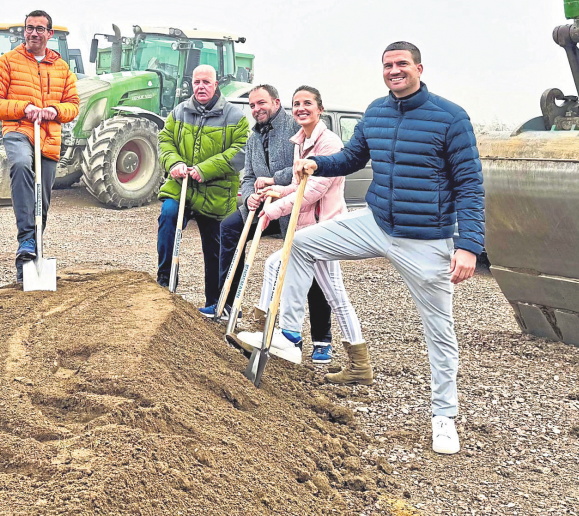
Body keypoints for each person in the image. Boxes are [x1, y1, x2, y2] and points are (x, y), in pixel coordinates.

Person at [290, 42, 484, 455]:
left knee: (439, 330)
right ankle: (288, 335)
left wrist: (468, 246)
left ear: (418, 68)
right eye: (387, 65)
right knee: (302, 242)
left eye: (401, 65)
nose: (394, 71)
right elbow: (350, 158)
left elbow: (470, 185)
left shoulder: (450, 118)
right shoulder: (375, 112)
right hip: (375, 224)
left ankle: (444, 417)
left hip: (426, 239)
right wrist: (317, 165)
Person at [236, 86, 368, 376]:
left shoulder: (329, 143)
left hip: (326, 228)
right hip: (307, 231)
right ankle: (271, 331)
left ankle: (356, 362)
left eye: (307, 103)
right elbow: (298, 186)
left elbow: (315, 190)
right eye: (296, 104)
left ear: (319, 109)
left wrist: (272, 209)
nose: (300, 108)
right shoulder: (301, 142)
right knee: (274, 266)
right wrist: (276, 189)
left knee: (335, 295)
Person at [0, 10, 80, 282]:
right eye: (29, 28)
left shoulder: (61, 68)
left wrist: (53, 110)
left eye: (40, 28)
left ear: (50, 34)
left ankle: (29, 260)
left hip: (48, 139)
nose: (34, 33)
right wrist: (24, 109)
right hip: (19, 131)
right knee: (22, 164)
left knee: (43, 202)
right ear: (24, 32)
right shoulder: (8, 62)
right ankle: (26, 241)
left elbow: (73, 106)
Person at [200, 84, 297, 319]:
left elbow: (298, 168)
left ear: (276, 102)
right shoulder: (254, 137)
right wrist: (249, 195)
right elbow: (250, 176)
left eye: (261, 103)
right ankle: (227, 303)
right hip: (262, 205)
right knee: (229, 227)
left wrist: (273, 181)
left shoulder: (294, 127)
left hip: (290, 204)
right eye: (252, 105)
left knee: (296, 259)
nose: (256, 109)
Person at [156, 64, 249, 298]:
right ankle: (165, 279)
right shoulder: (179, 111)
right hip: (182, 187)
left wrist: (205, 169)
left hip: (215, 193)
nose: (201, 87)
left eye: (206, 82)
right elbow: (165, 140)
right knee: (168, 214)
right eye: (197, 82)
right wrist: (174, 163)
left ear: (216, 85)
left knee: (215, 249)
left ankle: (214, 301)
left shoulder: (235, 117)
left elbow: (241, 153)